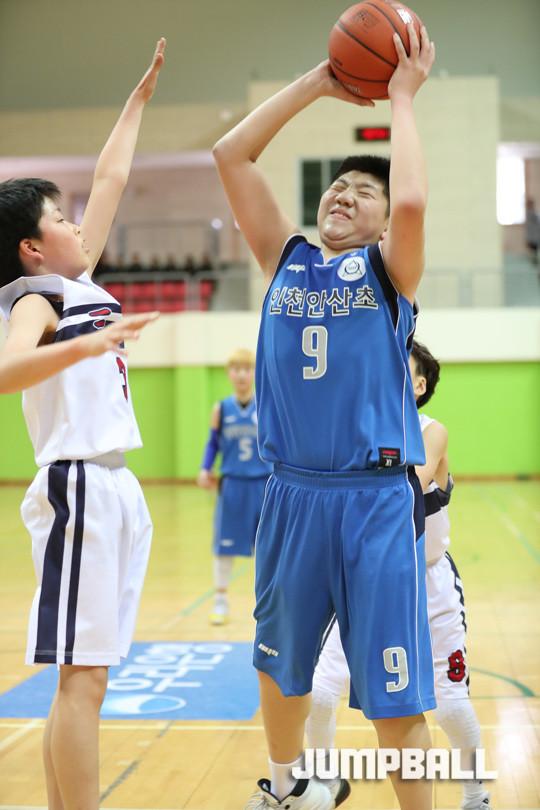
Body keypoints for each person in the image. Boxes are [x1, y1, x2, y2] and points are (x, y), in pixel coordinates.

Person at [214, 23, 436, 810]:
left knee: (396, 698)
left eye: (362, 191)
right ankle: (286, 789)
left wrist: (401, 97)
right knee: (279, 667)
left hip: (373, 500)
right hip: (290, 493)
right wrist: (317, 82)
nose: (344, 194)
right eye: (337, 185)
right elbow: (231, 155)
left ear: (381, 221)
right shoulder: (288, 259)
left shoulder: (389, 272)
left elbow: (412, 198)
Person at [0, 38, 165, 810]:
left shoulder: (79, 283)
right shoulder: (35, 299)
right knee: (82, 680)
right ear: (33, 248)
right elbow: (5, 373)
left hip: (114, 487)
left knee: (84, 676)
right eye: (61, 218)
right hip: (77, 486)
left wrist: (137, 101)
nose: (78, 224)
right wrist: (89, 346)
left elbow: (110, 177)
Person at [306, 340, 492, 810]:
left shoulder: (432, 431)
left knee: (450, 705)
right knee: (321, 691)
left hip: (429, 585)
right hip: (369, 583)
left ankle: (475, 795)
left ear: (420, 384)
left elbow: (409, 485)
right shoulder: (358, 431)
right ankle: (324, 782)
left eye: (399, 366)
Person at [197, 348, 272, 624]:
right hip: (232, 485)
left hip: (263, 484)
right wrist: (205, 468)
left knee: (268, 546)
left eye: (247, 369)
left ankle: (267, 602)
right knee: (224, 545)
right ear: (229, 373)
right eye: (237, 369)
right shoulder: (221, 408)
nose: (241, 375)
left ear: (254, 373)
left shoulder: (266, 406)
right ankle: (220, 601)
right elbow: (213, 443)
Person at [525, 198, 539, 266]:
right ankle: (534, 262)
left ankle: (534, 261)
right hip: (533, 237)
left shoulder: (531, 213)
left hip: (534, 237)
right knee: (533, 251)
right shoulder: (530, 213)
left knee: (534, 251)